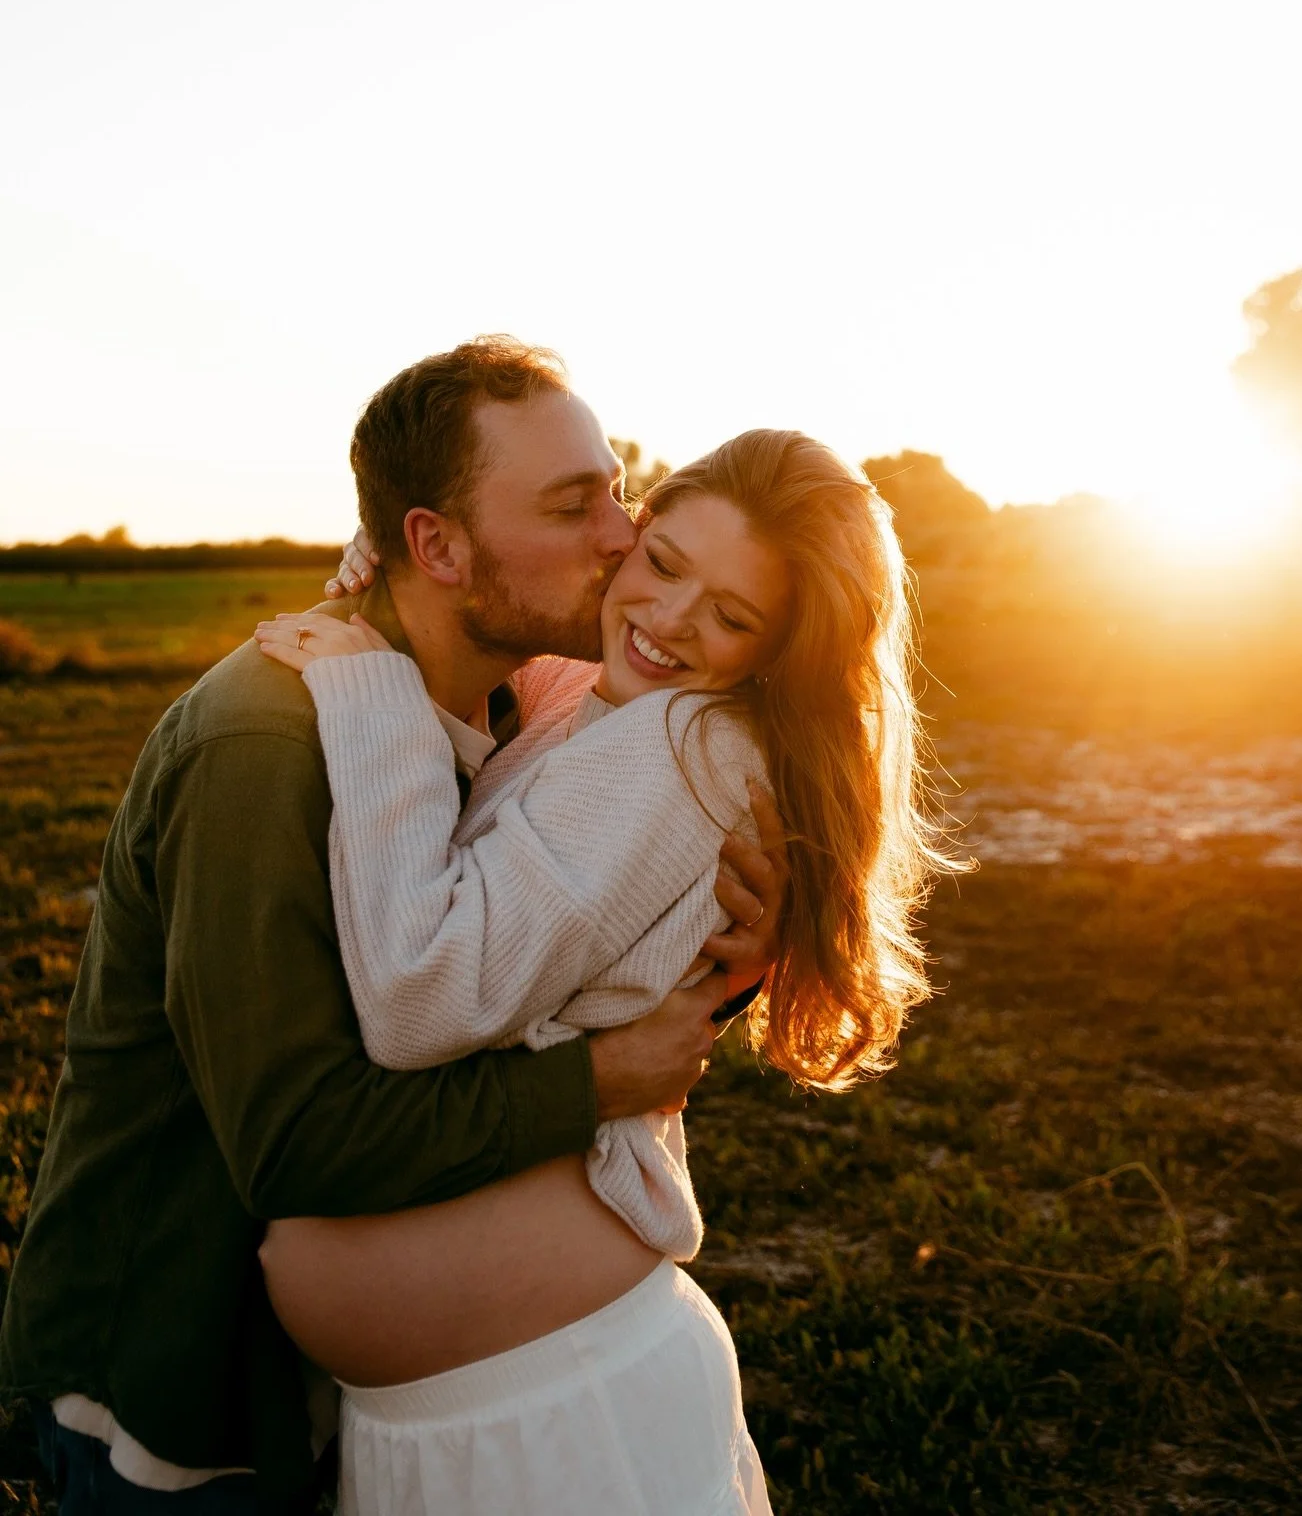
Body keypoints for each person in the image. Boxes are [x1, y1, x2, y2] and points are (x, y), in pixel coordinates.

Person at [0, 338, 787, 1514]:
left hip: (340, 1399)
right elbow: (299, 1138)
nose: (623, 536)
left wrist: (730, 967)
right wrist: (604, 1079)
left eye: (618, 490)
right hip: (181, 1396)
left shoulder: (519, 697)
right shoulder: (268, 747)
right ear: (436, 544)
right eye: (578, 507)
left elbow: (564, 931)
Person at [251, 426, 948, 1516]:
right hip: (498, 1403)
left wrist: (371, 685)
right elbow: (501, 621)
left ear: (778, 653)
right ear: (633, 529)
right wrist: (399, 560)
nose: (670, 620)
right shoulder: (613, 697)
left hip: (550, 1412)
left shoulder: (679, 747)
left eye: (732, 617)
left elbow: (421, 994)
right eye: (664, 563)